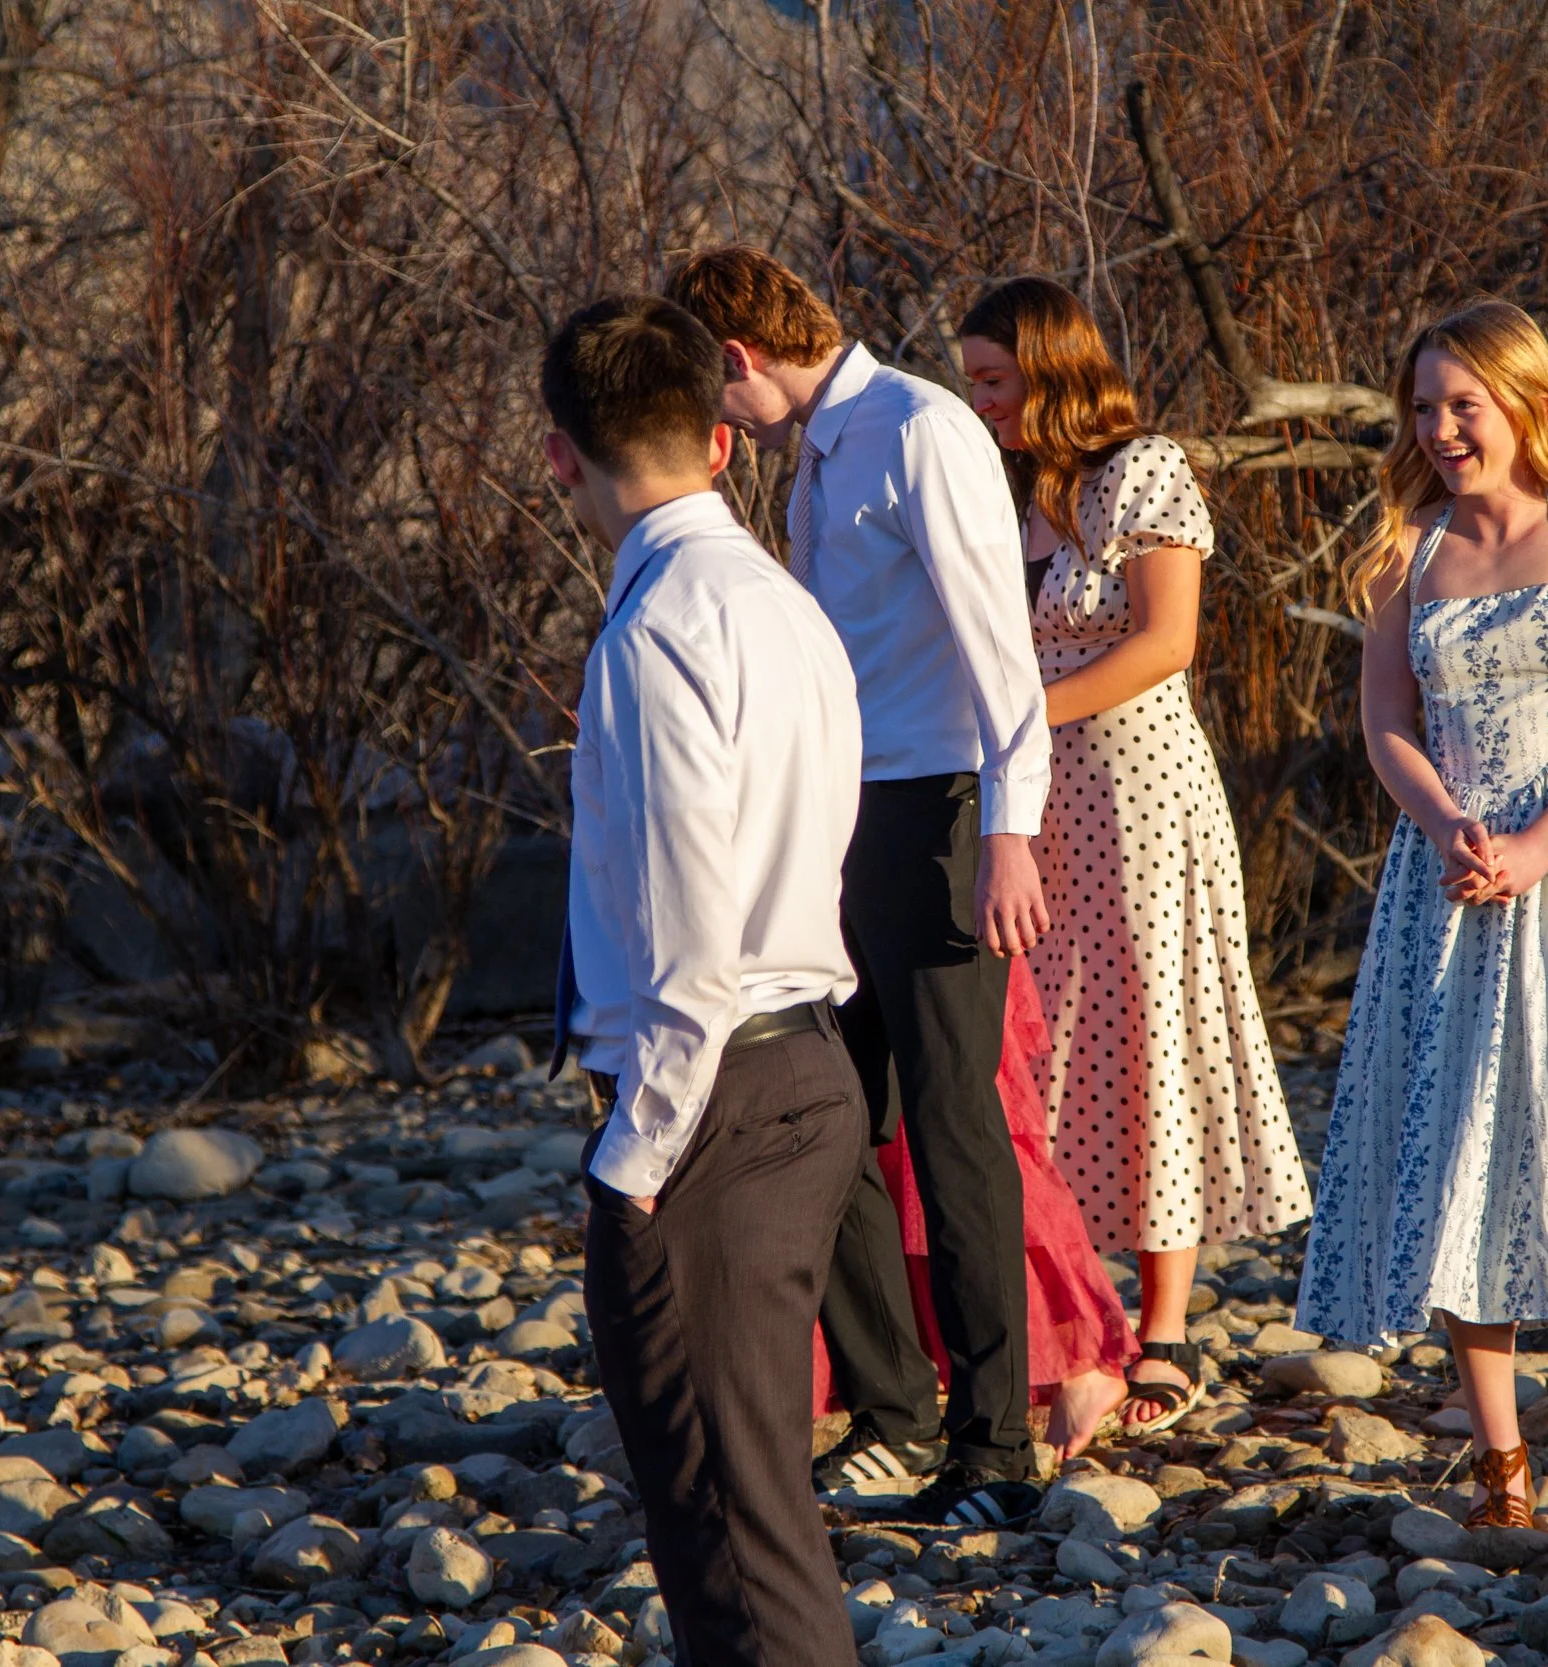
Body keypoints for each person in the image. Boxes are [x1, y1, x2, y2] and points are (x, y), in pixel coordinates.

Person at [1293, 300, 1548, 1562]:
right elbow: (1385, 725)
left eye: (1462, 403)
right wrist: (1447, 822)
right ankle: (1500, 1450)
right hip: (1449, 886)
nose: (1441, 428)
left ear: (1525, 401)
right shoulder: (1403, 554)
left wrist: (1540, 841)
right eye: (1423, 407)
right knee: (1459, 1135)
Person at [667, 249, 1053, 1524]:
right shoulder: (824, 453)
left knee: (952, 1125)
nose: (716, 425)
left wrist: (1010, 830)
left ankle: (993, 1444)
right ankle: (890, 1408)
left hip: (944, 811)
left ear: (738, 356)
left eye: (711, 393)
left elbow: (1004, 649)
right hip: (844, 819)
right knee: (825, 1111)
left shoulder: (920, 430)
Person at [543, 294, 866, 1665]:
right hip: (803, 1067)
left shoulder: (661, 627)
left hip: (714, 1097)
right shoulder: (786, 605)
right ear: (723, 440)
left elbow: (689, 936)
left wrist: (634, 1156)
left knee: (733, 1543)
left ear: (559, 455)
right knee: (758, 1518)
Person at [956, 278, 1314, 1441]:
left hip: (1143, 794)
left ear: (1052, 368)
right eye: (973, 382)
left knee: (1154, 1032)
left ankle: (1161, 1330)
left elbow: (1169, 639)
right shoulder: (1005, 494)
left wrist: (1024, 713)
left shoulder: (1141, 467)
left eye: (996, 380)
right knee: (1038, 1047)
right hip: (1034, 807)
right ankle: (1069, 1315)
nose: (983, 403)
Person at [810, 960, 1138, 1464]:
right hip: (861, 896)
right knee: (893, 1124)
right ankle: (908, 1387)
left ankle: (1075, 1361)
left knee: (959, 1121)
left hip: (930, 899)